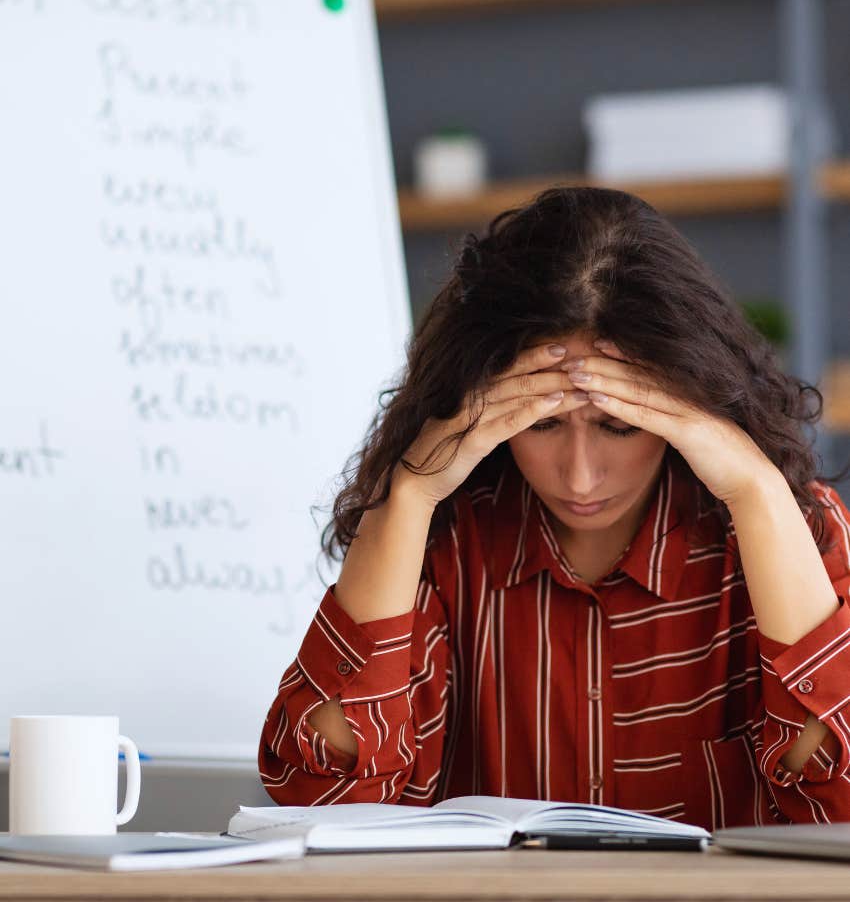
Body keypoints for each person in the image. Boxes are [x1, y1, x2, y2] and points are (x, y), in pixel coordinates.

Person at [259, 185, 850, 829]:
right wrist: (407, 494)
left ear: (692, 407)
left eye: (620, 425)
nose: (580, 475)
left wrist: (757, 491)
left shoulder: (790, 529)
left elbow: (838, 811)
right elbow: (323, 797)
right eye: (540, 425)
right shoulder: (446, 538)